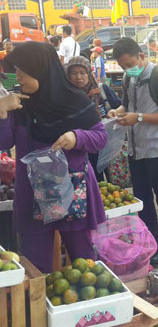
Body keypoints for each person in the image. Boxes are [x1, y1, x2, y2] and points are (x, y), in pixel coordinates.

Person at [0, 42, 107, 273]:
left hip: (71, 190)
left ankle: (89, 309)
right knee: (36, 266)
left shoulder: (75, 100)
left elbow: (100, 138)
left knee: (84, 264)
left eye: (22, 71)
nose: (17, 77)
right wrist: (2, 111)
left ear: (40, 69)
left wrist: (76, 137)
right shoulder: (17, 102)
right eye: (15, 71)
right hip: (32, 194)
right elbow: (4, 142)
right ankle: (42, 307)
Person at [109, 37, 158, 265]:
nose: (127, 70)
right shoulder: (129, 79)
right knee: (141, 199)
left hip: (157, 149)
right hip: (135, 150)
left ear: (141, 56)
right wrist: (117, 112)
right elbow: (126, 105)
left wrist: (137, 117)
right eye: (122, 67)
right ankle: (151, 240)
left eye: (130, 64)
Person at [65, 56, 121, 181]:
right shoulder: (65, 97)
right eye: (74, 73)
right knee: (92, 182)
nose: (78, 77)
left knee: (112, 185)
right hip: (81, 149)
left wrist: (114, 112)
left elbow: (120, 106)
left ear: (89, 74)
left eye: (82, 73)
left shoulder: (101, 90)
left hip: (106, 146)